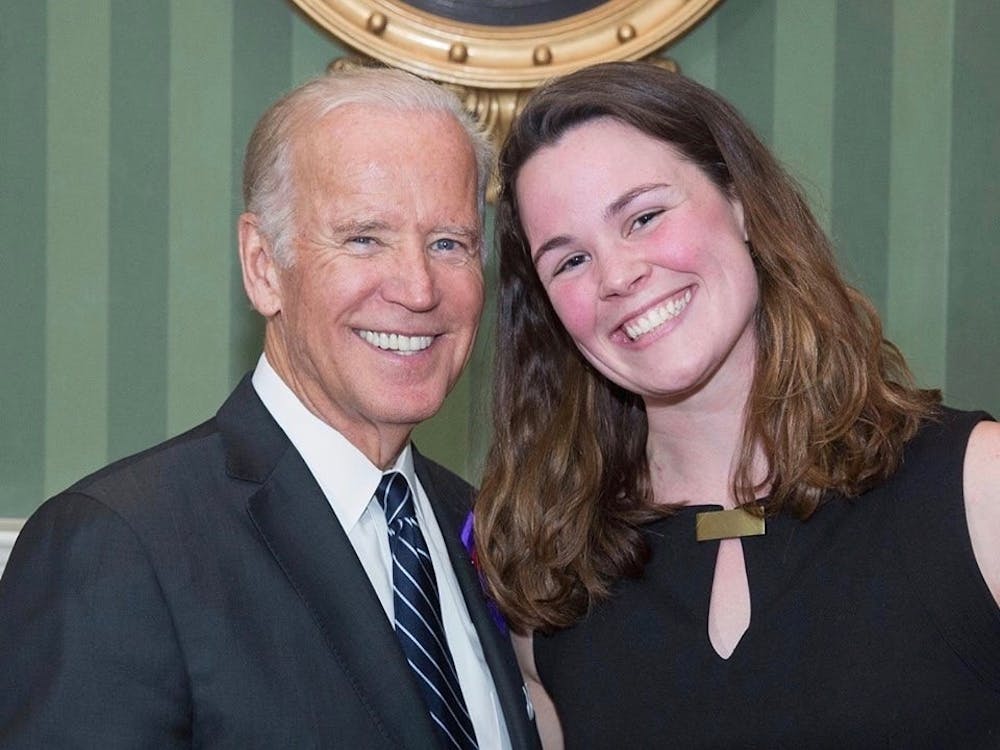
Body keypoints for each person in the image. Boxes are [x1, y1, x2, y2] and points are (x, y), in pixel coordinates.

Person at [0, 66, 541, 749]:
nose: (418, 288)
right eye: (364, 238)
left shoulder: (480, 530)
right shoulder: (121, 545)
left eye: (449, 243)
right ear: (263, 266)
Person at [474, 61, 1000, 748]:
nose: (619, 275)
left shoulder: (977, 487)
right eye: (569, 261)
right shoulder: (548, 580)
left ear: (741, 202)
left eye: (644, 216)